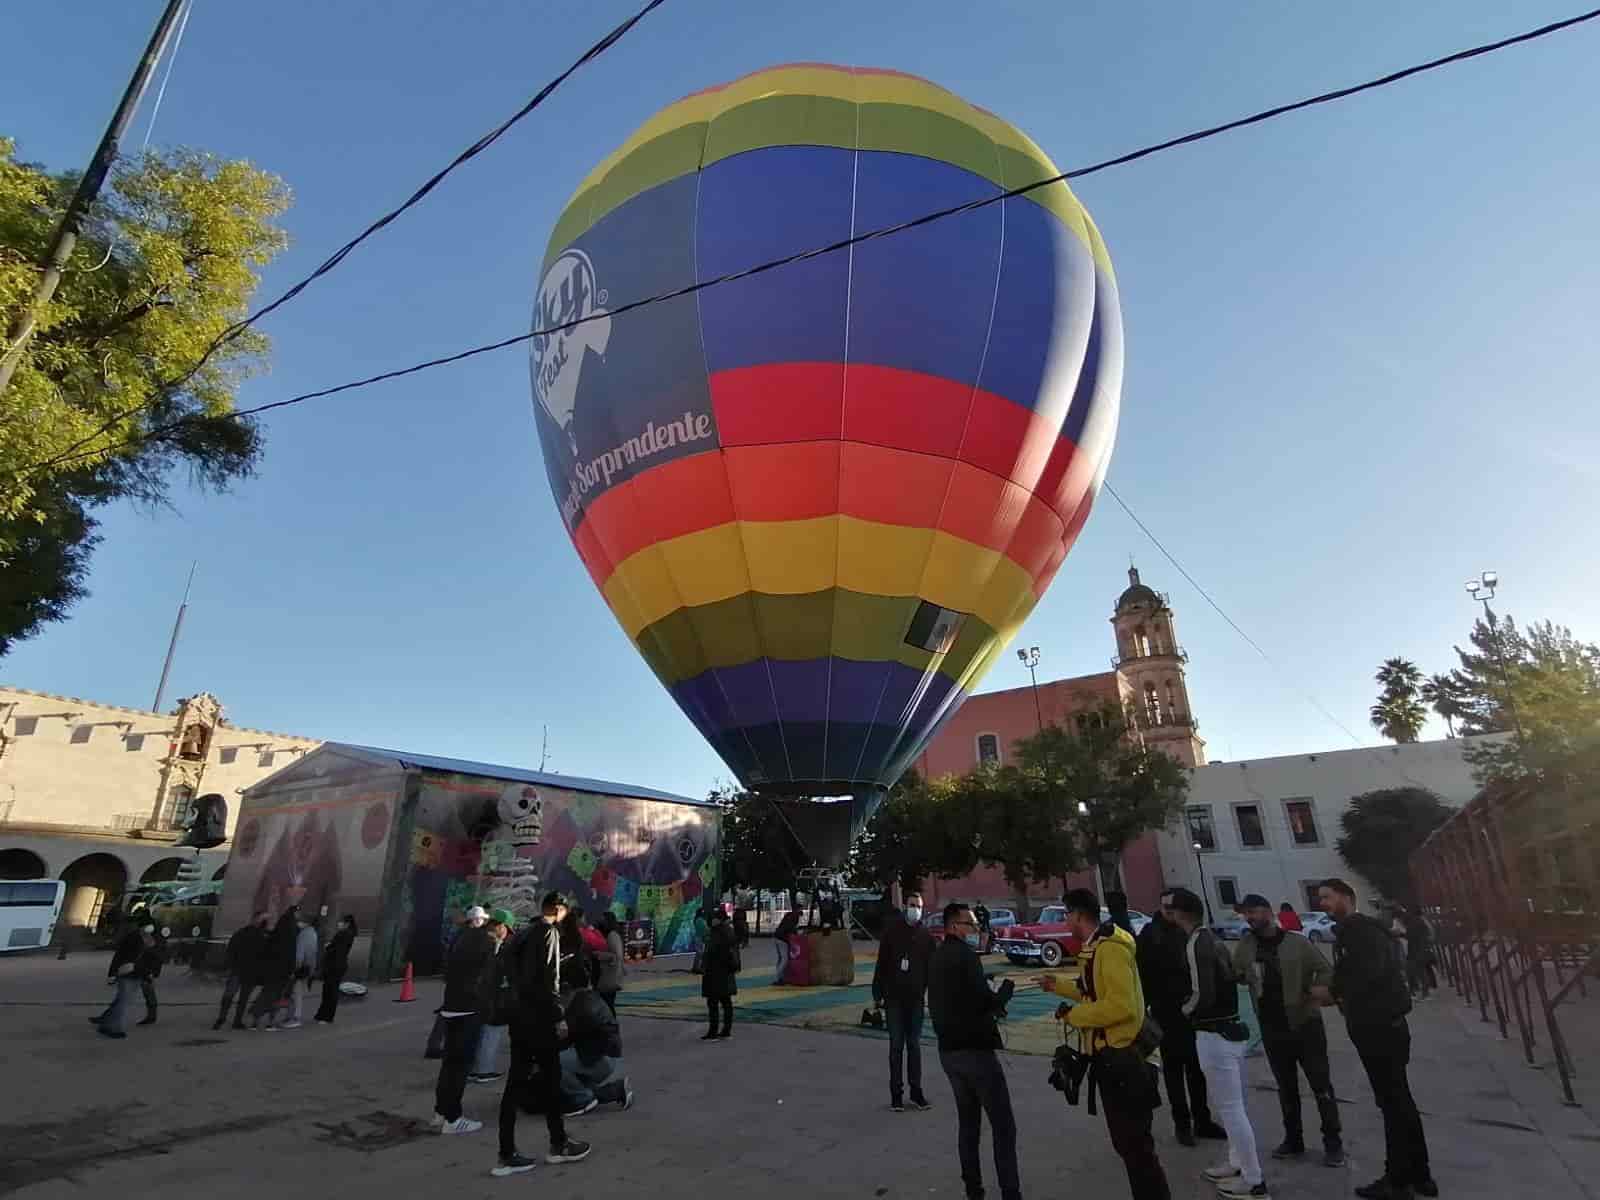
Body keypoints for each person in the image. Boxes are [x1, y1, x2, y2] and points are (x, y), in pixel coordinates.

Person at [1040, 889, 1169, 1200]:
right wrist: (1058, 987)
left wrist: (1076, 1015)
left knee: (1135, 1147)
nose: (1066, 921)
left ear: (1079, 915)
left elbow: (1120, 1006)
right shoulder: (1096, 947)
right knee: (1129, 1145)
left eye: (1067, 915)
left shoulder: (1109, 949)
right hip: (1113, 1059)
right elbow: (1094, 993)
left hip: (1124, 1061)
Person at [1315, 879, 1434, 1200]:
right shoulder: (1366, 929)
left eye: (1327, 897)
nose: (1322, 903)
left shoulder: (1358, 931)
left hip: (1378, 1028)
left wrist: (1333, 993)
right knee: (1400, 1101)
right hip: (1387, 1025)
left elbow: (1366, 973)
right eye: (1320, 898)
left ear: (1346, 897)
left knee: (1392, 1104)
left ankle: (1398, 1181)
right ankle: (1420, 1174)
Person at [1169, 888, 1267, 1199]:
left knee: (1231, 1108)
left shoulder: (1197, 942)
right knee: (1232, 1107)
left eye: (1171, 907)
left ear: (1181, 913)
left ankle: (1253, 1180)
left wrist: (1180, 1012)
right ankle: (1237, 1163)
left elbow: (1203, 993)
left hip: (1213, 1033)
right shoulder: (1212, 938)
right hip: (1229, 1031)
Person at [1233, 895, 1344, 1167]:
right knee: (1286, 1087)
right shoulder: (1245, 947)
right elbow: (1235, 973)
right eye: (1247, 913)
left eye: (1256, 911)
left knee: (1320, 1085)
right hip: (1271, 1027)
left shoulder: (1297, 942)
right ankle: (1293, 1139)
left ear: (1269, 912)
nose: (1251, 917)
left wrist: (1315, 992)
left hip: (1305, 1024)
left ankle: (1333, 1142)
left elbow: (1325, 971)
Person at [928, 902, 1020, 1200]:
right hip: (975, 1052)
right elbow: (983, 1002)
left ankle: (973, 1188)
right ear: (955, 927)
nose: (976, 930)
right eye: (971, 925)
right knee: (1003, 1125)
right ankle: (1010, 1191)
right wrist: (1002, 995)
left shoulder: (938, 956)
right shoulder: (965, 957)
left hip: (948, 1052)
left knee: (968, 1124)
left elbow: (959, 996)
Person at [496, 890, 591, 1176]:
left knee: (514, 1084)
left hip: (519, 1018)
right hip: (539, 1019)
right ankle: (558, 1143)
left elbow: (509, 969)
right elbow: (549, 979)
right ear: (559, 909)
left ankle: (506, 1152)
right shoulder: (549, 933)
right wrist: (558, 1015)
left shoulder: (523, 934)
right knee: (551, 1082)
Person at [1136, 890, 1224, 1146]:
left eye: (1173, 906)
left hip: (1192, 1010)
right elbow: (1142, 973)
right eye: (1166, 906)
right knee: (1174, 1071)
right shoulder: (1150, 935)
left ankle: (1202, 1120)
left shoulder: (1190, 932)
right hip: (1166, 1012)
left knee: (1197, 1069)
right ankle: (1182, 1124)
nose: (1169, 910)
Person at [433, 905, 496, 1134]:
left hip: (451, 1006)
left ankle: (440, 1113)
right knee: (461, 1066)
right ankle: (453, 1118)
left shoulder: (457, 939)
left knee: (449, 1064)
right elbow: (488, 977)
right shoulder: (484, 941)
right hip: (470, 1009)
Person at [873, 888, 936, 1112]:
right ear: (905, 907)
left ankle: (916, 1093)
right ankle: (896, 1096)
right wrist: (877, 994)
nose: (915, 910)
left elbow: (932, 970)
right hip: (893, 999)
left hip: (916, 1000)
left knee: (914, 1046)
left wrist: (933, 996)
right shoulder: (892, 933)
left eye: (918, 907)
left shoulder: (926, 937)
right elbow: (881, 964)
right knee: (896, 1046)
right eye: (912, 905)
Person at [470, 911, 517, 1084]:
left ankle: (476, 1069)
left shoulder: (488, 942)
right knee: (491, 1032)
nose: (492, 927)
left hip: (487, 994)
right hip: (492, 995)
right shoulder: (492, 944)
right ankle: (483, 1070)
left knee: (485, 1031)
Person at [92, 923, 156, 1039]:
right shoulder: (134, 939)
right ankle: (113, 1028)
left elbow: (121, 956)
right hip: (130, 973)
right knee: (124, 1002)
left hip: (134, 973)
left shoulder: (140, 939)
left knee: (122, 1001)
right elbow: (122, 956)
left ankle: (107, 1024)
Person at [217, 911, 271, 1030]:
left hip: (242, 970)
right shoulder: (260, 936)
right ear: (256, 919)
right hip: (247, 971)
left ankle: (224, 1019)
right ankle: (232, 1020)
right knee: (240, 997)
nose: (266, 922)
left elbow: (230, 950)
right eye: (264, 919)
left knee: (233, 996)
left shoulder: (243, 933)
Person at [251, 907, 299, 1030]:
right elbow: (291, 957)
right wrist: (291, 971)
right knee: (275, 998)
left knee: (265, 995)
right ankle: (270, 1023)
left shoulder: (276, 935)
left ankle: (255, 1022)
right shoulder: (291, 937)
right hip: (282, 973)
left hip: (270, 972)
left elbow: (266, 950)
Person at [701, 905, 740, 1040]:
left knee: (713, 1002)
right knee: (725, 1001)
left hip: (716, 971)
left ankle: (713, 1031)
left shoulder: (718, 932)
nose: (711, 921)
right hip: (726, 972)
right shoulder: (728, 931)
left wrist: (705, 966)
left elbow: (712, 951)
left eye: (713, 918)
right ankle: (726, 1030)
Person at [315, 915, 358, 1024]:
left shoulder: (343, 934)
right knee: (330, 990)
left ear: (346, 924)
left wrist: (329, 947)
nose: (339, 924)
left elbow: (336, 950)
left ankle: (326, 1016)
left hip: (334, 966)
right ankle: (323, 1015)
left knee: (330, 991)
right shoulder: (349, 934)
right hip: (339, 966)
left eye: (341, 922)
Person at [283, 911, 319, 1030]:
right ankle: (293, 1016)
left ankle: (294, 1017)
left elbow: (299, 954)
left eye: (300, 920)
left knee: (295, 993)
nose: (299, 922)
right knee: (298, 993)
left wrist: (294, 970)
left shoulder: (304, 934)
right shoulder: (313, 933)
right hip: (308, 967)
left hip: (300, 968)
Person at [593, 911, 625, 1016]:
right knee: (607, 1005)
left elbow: (616, 955)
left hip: (609, 977)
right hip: (608, 976)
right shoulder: (610, 934)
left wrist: (599, 954)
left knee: (608, 1005)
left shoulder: (612, 935)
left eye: (603, 920)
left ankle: (611, 1027)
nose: (600, 922)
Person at [137, 927, 167, 1025]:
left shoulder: (152, 944)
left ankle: (152, 1016)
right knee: (148, 992)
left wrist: (152, 972)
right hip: (146, 970)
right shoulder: (151, 943)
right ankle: (151, 1015)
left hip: (148, 970)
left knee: (148, 992)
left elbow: (156, 958)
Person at [773, 907, 801, 984]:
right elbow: (790, 929)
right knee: (785, 959)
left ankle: (779, 976)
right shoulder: (793, 918)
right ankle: (779, 978)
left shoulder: (788, 915)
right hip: (782, 939)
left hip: (777, 937)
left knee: (780, 958)